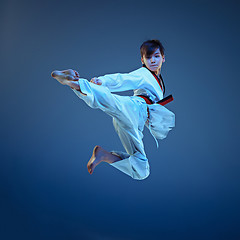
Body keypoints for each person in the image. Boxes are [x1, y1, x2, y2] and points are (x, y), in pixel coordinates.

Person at [51, 39, 175, 180]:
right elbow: (123, 79)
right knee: (110, 101)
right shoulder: (144, 74)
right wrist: (102, 81)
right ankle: (74, 81)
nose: (152, 60)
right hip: (134, 108)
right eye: (148, 57)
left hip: (134, 122)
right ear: (142, 60)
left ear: (163, 58)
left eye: (156, 56)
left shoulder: (158, 80)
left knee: (142, 170)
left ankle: (103, 155)